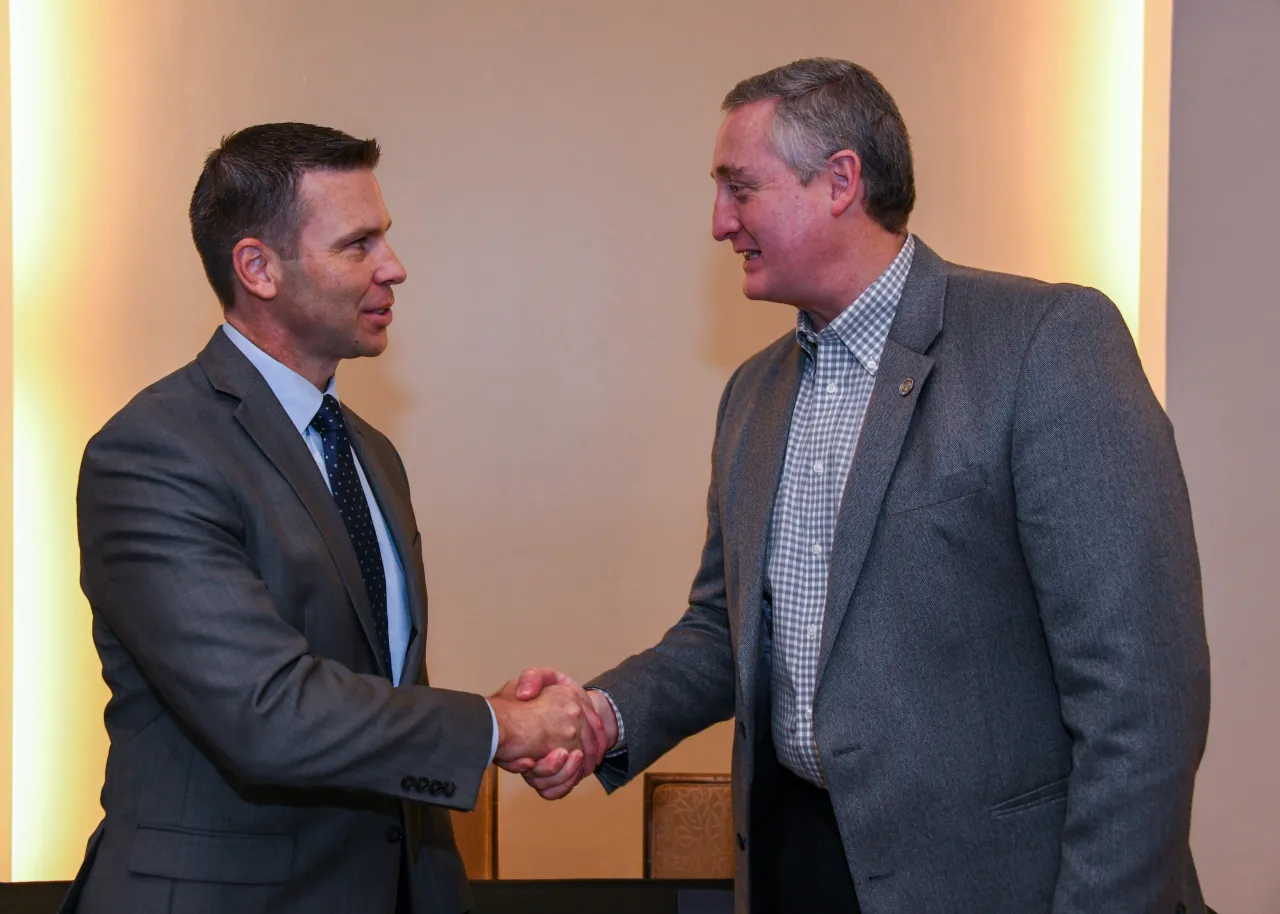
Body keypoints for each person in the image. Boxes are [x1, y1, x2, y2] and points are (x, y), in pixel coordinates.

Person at [513, 58, 1210, 913]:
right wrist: (604, 718)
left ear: (840, 180)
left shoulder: (1045, 345)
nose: (719, 222)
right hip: (798, 866)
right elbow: (721, 630)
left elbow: (1141, 696)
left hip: (998, 885)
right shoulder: (753, 394)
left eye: (741, 188)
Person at [62, 122, 602, 914]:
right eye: (358, 244)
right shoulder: (152, 452)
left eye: (385, 238)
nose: (395, 267)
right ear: (258, 268)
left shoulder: (369, 453)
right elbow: (267, 711)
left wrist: (490, 723)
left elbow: (363, 686)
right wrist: (496, 728)